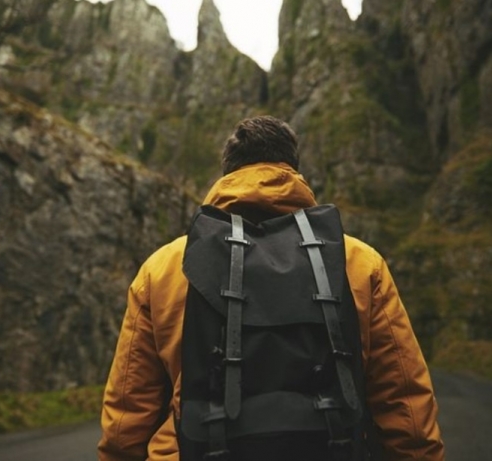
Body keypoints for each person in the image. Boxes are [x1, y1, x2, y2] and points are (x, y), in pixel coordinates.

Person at [97, 115, 445, 461]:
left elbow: (127, 420)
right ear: (293, 170)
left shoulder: (164, 268)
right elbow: (405, 407)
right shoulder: (359, 262)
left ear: (227, 173)